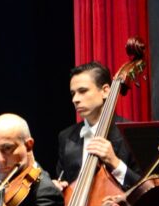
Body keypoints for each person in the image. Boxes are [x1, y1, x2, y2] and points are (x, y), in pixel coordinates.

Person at [53, 61, 140, 190]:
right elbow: (62, 179)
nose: (75, 99)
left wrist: (115, 163)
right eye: (73, 93)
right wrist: (57, 188)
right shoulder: (66, 136)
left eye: (83, 91)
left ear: (105, 91)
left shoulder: (131, 133)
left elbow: (146, 190)